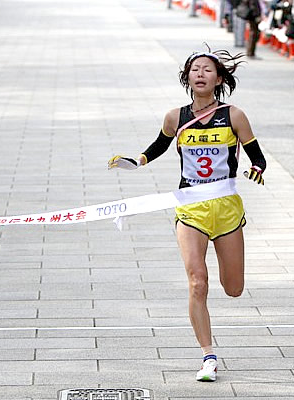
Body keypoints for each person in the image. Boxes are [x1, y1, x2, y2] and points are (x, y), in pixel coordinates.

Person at [107, 49, 267, 379]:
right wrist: (135, 162)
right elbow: (157, 147)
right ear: (188, 77)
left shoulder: (234, 115)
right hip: (190, 207)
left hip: (226, 209)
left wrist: (256, 170)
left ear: (219, 79)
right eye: (195, 69)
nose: (200, 74)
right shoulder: (175, 117)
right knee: (198, 282)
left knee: (233, 287)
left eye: (207, 70)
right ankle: (208, 356)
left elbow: (258, 157)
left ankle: (217, 323)